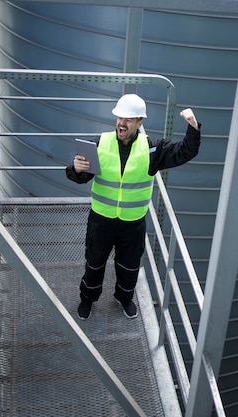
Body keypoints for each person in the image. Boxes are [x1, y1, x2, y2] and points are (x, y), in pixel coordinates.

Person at [66, 93, 201, 319]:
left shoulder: (152, 149)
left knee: (129, 266)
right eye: (120, 117)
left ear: (140, 122)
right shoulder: (99, 143)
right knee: (94, 263)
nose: (122, 122)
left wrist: (193, 128)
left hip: (132, 223)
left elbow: (184, 152)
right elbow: (79, 176)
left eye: (129, 119)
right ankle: (87, 299)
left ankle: (124, 298)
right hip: (101, 220)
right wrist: (76, 169)